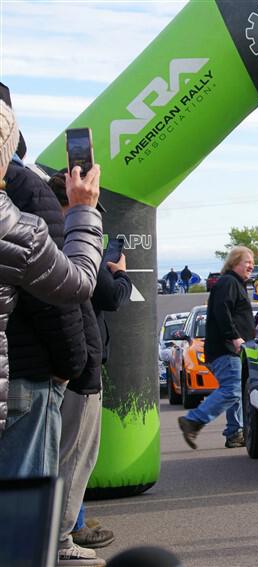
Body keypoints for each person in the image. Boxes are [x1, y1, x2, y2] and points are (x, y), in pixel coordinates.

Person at [0, 99, 103, 480]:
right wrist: (83, 210)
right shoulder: (18, 204)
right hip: (24, 380)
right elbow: (72, 285)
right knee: (22, 524)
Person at [48, 173, 132, 558]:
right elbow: (99, 298)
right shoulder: (69, 245)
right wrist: (120, 273)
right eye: (89, 209)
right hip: (74, 370)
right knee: (74, 454)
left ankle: (64, 530)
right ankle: (64, 536)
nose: (95, 220)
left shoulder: (38, 237)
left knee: (63, 454)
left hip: (62, 366)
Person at [178, 247, 256, 449]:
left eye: (252, 262)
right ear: (233, 263)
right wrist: (235, 337)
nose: (251, 265)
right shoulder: (229, 282)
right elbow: (222, 312)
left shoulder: (234, 284)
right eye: (247, 261)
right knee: (232, 390)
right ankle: (194, 420)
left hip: (229, 349)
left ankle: (235, 433)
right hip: (226, 349)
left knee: (236, 389)